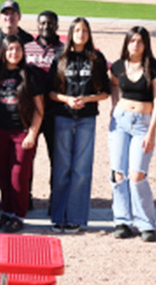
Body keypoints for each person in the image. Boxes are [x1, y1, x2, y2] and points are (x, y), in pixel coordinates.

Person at [44, 17, 111, 233]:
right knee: (62, 167)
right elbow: (50, 93)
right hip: (62, 117)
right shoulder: (60, 58)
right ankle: (58, 215)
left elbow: (106, 92)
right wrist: (67, 99)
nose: (81, 34)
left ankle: (75, 217)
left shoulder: (96, 58)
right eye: (77, 30)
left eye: (85, 30)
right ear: (71, 33)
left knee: (81, 168)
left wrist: (87, 99)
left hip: (86, 118)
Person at [107, 26, 156, 242]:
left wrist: (152, 131)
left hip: (143, 124)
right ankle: (122, 221)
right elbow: (113, 85)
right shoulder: (118, 66)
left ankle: (146, 224)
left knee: (137, 175)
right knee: (118, 173)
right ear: (127, 43)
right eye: (132, 40)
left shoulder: (155, 67)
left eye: (140, 41)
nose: (136, 45)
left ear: (146, 44)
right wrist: (115, 106)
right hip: (120, 122)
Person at [0, 34, 48, 233]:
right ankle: (7, 213)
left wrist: (32, 133)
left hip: (22, 132)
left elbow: (40, 109)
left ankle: (18, 215)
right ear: (4, 51)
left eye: (18, 49)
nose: (14, 53)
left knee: (18, 176)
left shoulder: (30, 74)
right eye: (10, 49)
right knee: (2, 175)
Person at [0, 0, 36, 74]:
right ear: (0, 17)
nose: (9, 17)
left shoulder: (27, 39)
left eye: (13, 13)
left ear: (19, 17)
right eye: (6, 14)